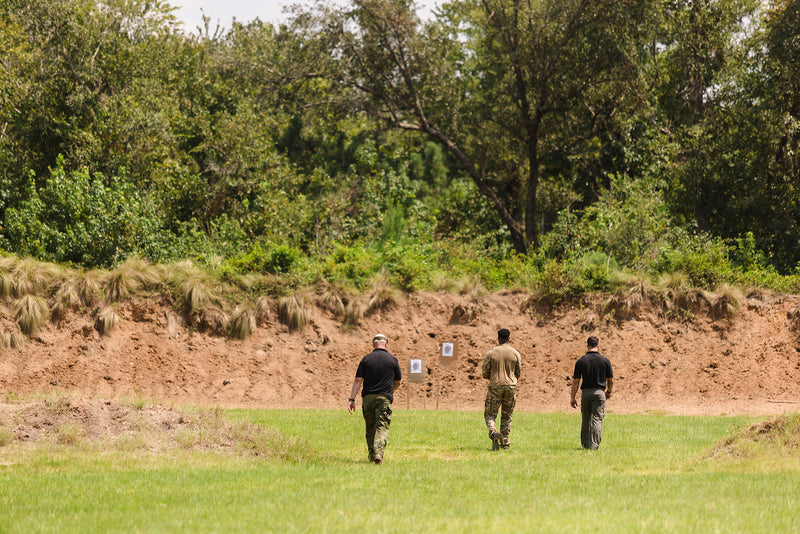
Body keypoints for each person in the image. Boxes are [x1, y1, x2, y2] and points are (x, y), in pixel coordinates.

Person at [348, 333, 402, 464]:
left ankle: (372, 455)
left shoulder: (366, 359)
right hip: (384, 398)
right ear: (386, 344)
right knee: (381, 426)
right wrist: (390, 392)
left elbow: (357, 380)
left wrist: (352, 399)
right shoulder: (393, 360)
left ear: (373, 344)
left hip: (368, 398)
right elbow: (398, 381)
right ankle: (378, 453)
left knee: (370, 427)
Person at [570, 335, 614, 450]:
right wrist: (608, 391)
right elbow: (611, 380)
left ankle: (585, 445)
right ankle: (593, 446)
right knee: (597, 419)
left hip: (585, 393)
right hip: (599, 392)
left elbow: (575, 381)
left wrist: (573, 397)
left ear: (587, 346)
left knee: (586, 419)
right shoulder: (605, 361)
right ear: (598, 346)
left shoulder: (581, 361)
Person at [482, 328, 522, 450]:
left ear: (498, 338)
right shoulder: (515, 353)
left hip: (495, 386)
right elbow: (518, 372)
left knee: (490, 414)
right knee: (507, 415)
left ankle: (493, 432)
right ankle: (505, 442)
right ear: (509, 339)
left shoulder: (491, 353)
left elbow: (484, 372)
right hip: (510, 387)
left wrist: (493, 377)